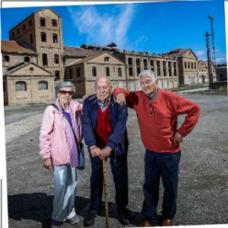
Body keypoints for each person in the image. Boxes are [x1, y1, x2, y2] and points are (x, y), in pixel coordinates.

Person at [114, 70, 200, 226]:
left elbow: (194, 109)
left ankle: (167, 216)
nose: (145, 85)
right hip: (151, 152)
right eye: (142, 82)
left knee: (170, 186)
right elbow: (120, 91)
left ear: (156, 81)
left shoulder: (169, 97)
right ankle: (149, 217)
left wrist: (181, 132)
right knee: (150, 186)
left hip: (170, 153)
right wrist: (119, 93)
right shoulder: (138, 98)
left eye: (148, 81)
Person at [82, 76, 130, 227]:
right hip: (96, 145)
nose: (102, 90)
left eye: (105, 87)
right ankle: (94, 208)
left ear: (110, 88)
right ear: (94, 89)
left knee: (120, 178)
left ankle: (122, 209)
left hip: (115, 145)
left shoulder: (119, 102)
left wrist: (110, 146)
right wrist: (91, 145)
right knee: (96, 177)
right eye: (99, 87)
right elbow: (86, 123)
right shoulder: (88, 102)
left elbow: (121, 126)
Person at [39, 81, 82, 228]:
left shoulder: (75, 107)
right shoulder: (51, 110)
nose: (67, 95)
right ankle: (57, 216)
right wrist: (46, 156)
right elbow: (44, 135)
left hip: (73, 154)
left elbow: (90, 104)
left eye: (70, 92)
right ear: (58, 93)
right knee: (61, 187)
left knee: (72, 185)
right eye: (64, 92)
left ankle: (70, 212)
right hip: (59, 156)